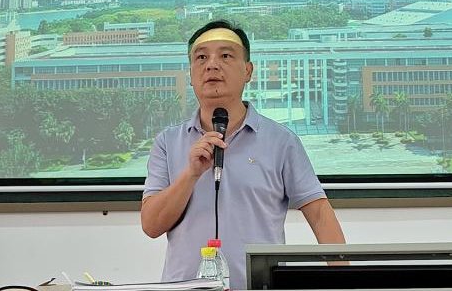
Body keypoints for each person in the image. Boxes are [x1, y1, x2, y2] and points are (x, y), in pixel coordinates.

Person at [142, 20, 345, 288]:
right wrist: (190, 174)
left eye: (225, 56)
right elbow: (151, 225)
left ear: (248, 71)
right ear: (190, 74)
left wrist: (346, 281)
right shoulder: (167, 143)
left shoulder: (281, 142)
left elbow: (319, 214)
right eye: (201, 58)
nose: (211, 65)